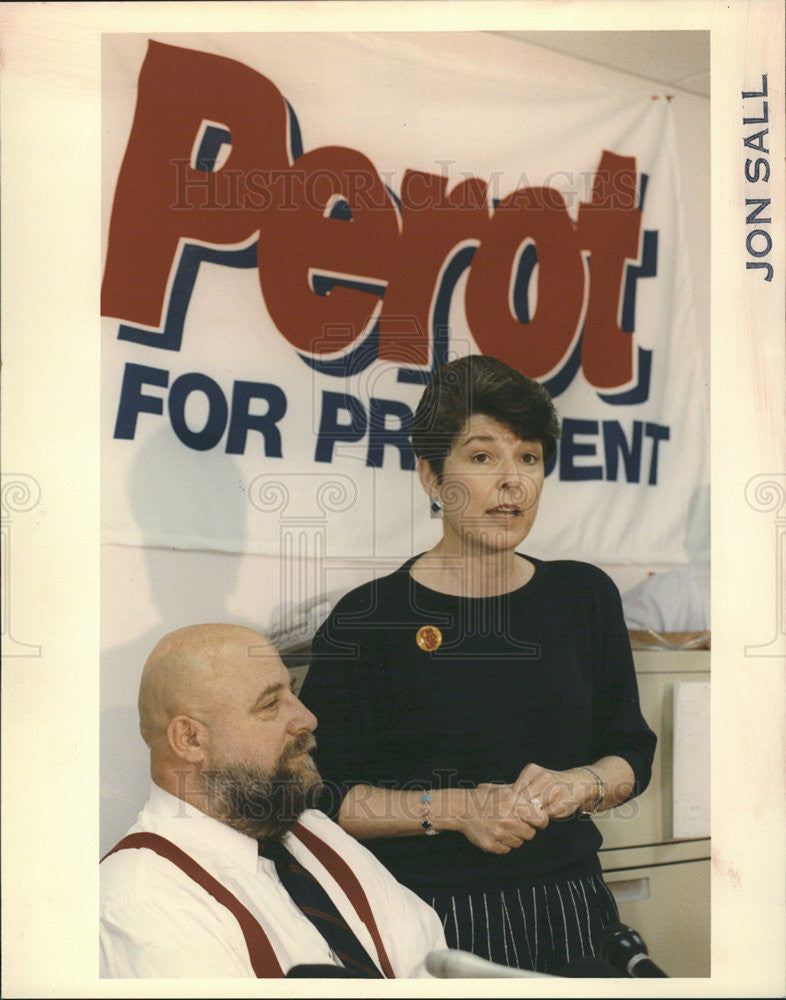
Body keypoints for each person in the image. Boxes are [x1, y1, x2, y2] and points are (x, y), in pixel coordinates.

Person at [299, 354, 657, 976]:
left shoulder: (584, 596)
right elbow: (320, 797)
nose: (512, 481)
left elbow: (632, 751)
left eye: (529, 458)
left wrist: (579, 786)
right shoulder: (369, 618)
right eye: (483, 456)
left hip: (573, 905)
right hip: (429, 918)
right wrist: (459, 808)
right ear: (432, 477)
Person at [99, 623, 447, 978]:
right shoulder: (144, 900)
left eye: (292, 693)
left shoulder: (312, 830)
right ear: (189, 739)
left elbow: (434, 967)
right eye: (270, 704)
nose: (307, 719)